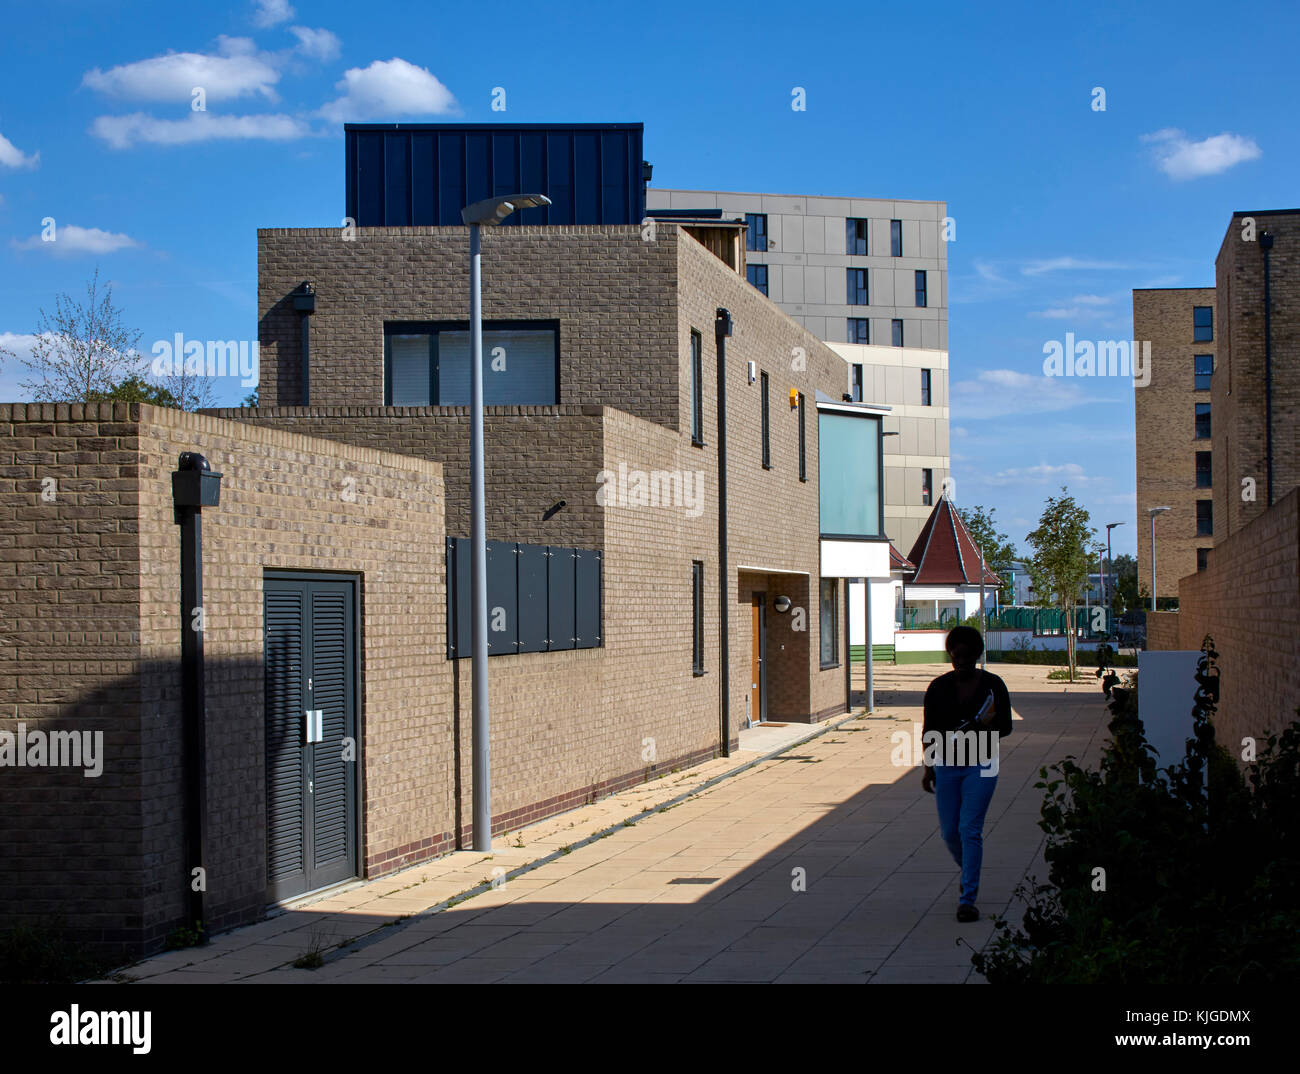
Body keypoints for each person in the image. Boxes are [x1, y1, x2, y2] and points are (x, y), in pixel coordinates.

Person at [920, 625, 1013, 922]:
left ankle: (967, 898)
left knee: (969, 830)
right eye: (955, 656)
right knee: (950, 832)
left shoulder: (993, 685)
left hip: (982, 764)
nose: (960, 662)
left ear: (977, 655)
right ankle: (967, 869)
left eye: (966, 656)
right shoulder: (938, 687)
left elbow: (1006, 726)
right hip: (947, 765)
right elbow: (929, 729)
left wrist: (980, 727)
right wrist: (928, 766)